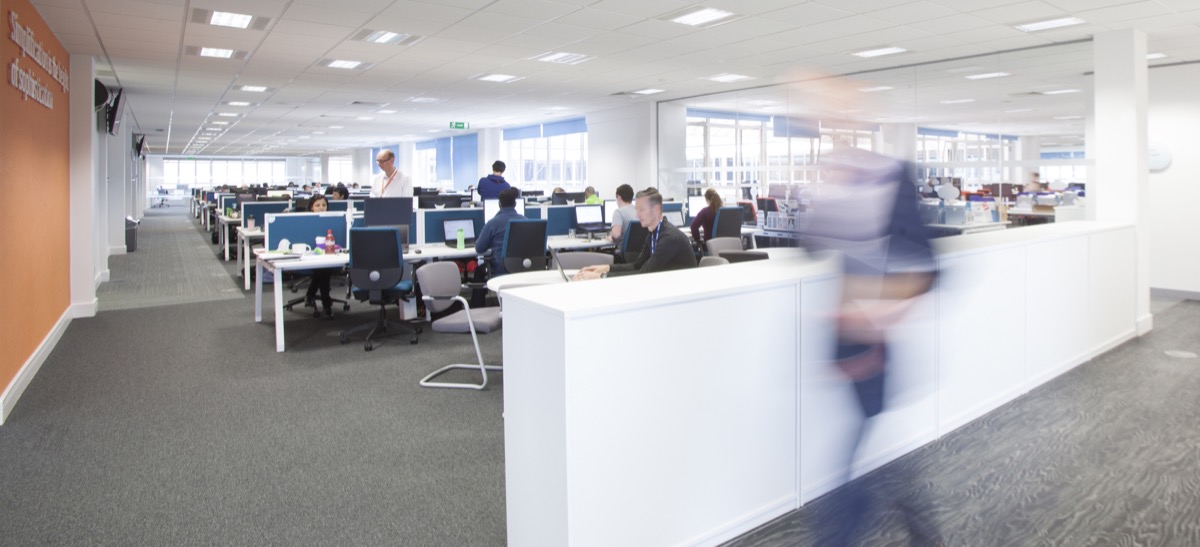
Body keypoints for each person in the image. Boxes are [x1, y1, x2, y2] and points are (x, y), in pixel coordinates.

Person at [799, 145, 941, 547]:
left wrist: (872, 313)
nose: (834, 173)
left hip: (871, 349)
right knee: (869, 448)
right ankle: (915, 524)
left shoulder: (894, 215)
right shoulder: (854, 213)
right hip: (851, 347)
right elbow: (809, 247)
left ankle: (849, 530)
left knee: (861, 455)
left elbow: (927, 274)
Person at [575, 187, 696, 280]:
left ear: (655, 210)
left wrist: (602, 276)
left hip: (683, 294)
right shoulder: (654, 233)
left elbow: (644, 274)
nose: (637, 215)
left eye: (641, 210)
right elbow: (636, 266)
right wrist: (605, 268)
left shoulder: (669, 238)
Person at [475, 188, 525, 277]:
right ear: (515, 204)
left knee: (478, 272)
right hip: (523, 269)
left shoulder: (492, 223)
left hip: (500, 270)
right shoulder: (526, 221)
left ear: (499, 204)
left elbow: (479, 248)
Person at [304, 195, 336, 319]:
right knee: (323, 270)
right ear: (312, 207)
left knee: (323, 269)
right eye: (317, 205)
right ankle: (326, 304)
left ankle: (310, 295)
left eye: (324, 205)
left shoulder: (333, 220)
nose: (321, 208)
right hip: (308, 257)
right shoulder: (305, 221)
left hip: (328, 255)